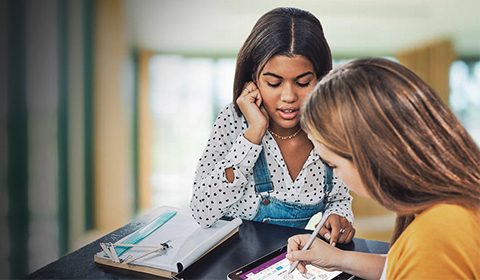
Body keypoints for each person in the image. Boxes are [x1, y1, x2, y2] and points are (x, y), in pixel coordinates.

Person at [286, 57, 480, 279]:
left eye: (334, 165)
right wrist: (338, 259)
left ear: (369, 154)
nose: (337, 176)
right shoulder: (452, 208)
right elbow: (406, 267)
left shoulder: (436, 235)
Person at [190, 7, 355, 245]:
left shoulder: (332, 128)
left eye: (303, 82)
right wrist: (253, 134)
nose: (288, 96)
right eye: (273, 83)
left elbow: (338, 198)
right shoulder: (233, 120)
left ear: (320, 79)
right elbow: (202, 211)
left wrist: (338, 217)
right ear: (253, 80)